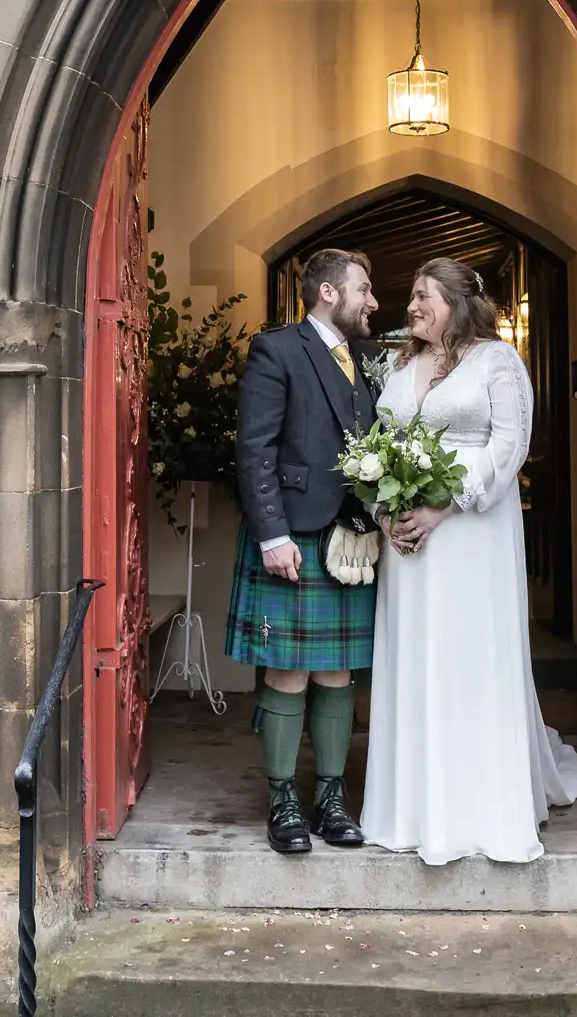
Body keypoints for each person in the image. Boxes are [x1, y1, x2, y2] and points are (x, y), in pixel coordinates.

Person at [362, 257, 577, 864]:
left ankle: (481, 807)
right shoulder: (401, 365)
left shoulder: (498, 361)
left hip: (473, 534)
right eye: (411, 296)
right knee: (417, 658)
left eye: (422, 296)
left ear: (457, 303)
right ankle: (410, 808)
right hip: (408, 547)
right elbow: (379, 448)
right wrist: (388, 513)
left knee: (468, 654)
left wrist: (445, 506)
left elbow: (511, 446)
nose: (411, 307)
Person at [226, 248, 381, 855]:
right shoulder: (278, 350)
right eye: (363, 290)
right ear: (329, 294)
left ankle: (332, 798)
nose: (373, 302)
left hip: (352, 533)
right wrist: (271, 533)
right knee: (288, 669)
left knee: (338, 670)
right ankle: (284, 797)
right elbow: (255, 446)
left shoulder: (367, 359)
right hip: (294, 531)